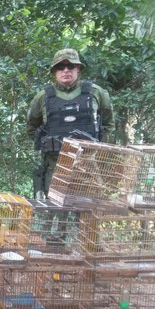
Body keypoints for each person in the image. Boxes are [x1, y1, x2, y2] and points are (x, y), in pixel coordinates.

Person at [26, 48, 114, 197]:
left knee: (89, 209)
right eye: (60, 67)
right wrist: (49, 145)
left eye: (70, 66)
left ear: (78, 68)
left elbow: (108, 124)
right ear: (54, 71)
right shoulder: (42, 97)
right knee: (54, 209)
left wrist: (94, 148)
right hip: (55, 167)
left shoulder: (96, 93)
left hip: (88, 167)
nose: (66, 70)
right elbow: (32, 128)